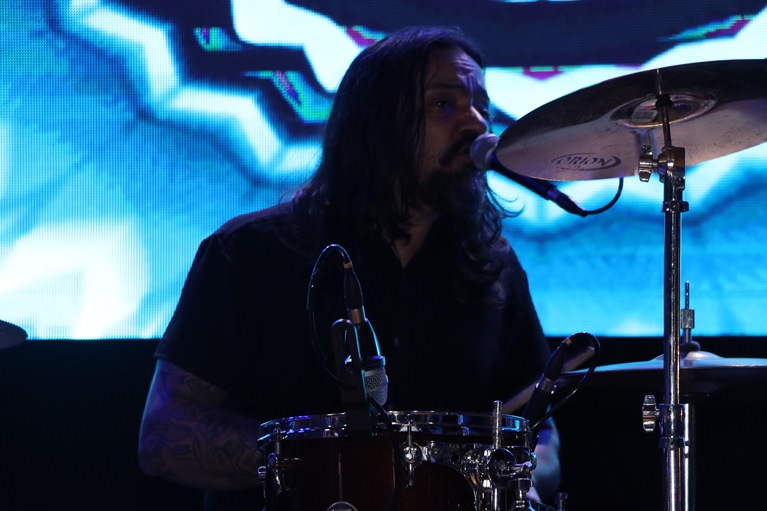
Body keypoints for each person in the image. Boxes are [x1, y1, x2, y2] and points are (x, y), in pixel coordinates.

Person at [138, 25, 561, 510]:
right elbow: (164, 433)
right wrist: (336, 466)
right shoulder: (250, 251)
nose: (476, 125)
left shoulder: (494, 268)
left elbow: (541, 431)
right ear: (376, 123)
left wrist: (524, 478)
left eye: (481, 107)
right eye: (444, 104)